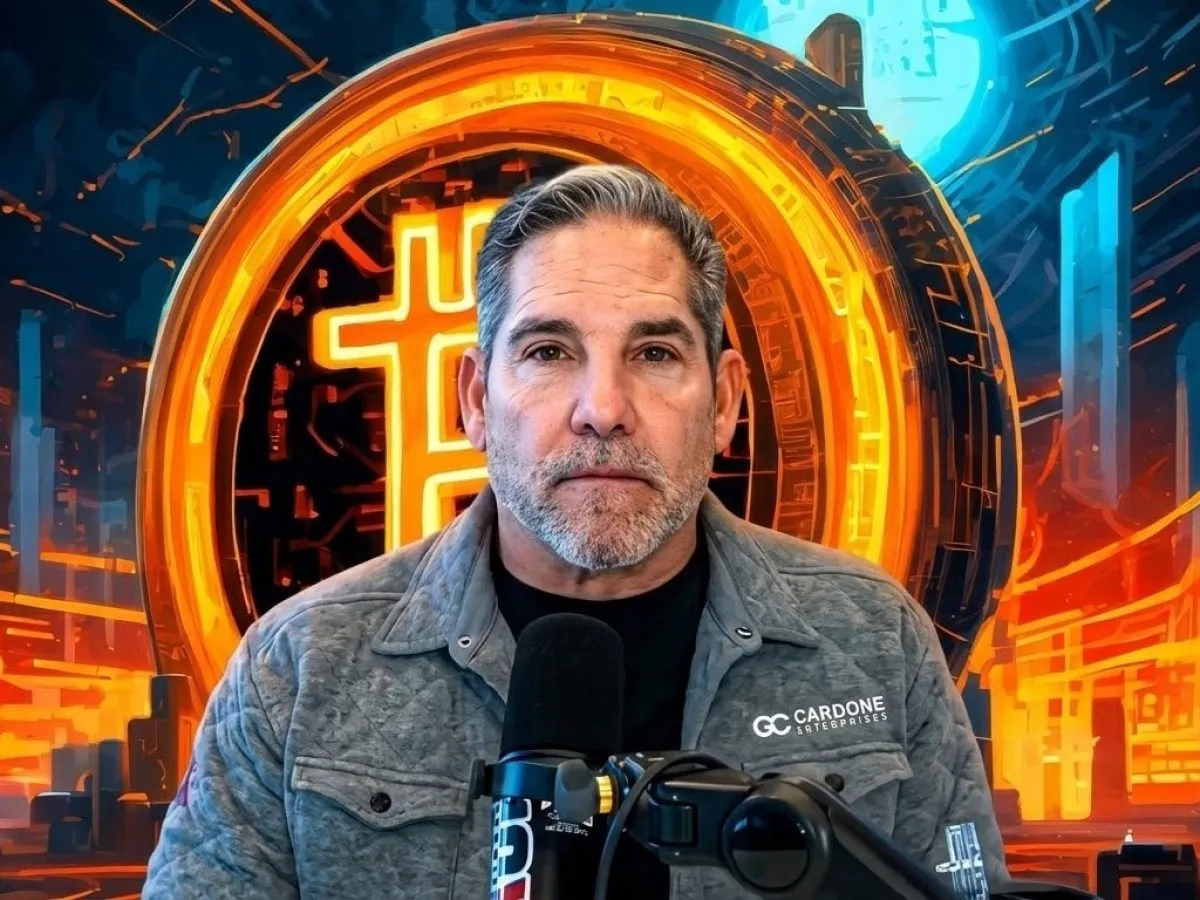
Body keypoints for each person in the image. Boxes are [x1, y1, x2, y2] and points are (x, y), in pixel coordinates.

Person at [142, 163, 1010, 898]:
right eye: (549, 352)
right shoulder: (298, 668)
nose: (603, 409)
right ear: (476, 401)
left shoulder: (873, 641)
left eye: (655, 353)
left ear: (726, 404)